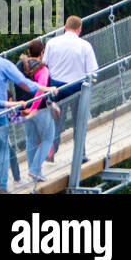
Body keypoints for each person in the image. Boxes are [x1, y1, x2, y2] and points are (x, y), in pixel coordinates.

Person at [0, 31, 55, 193]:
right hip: (0, 113)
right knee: (3, 150)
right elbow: (25, 84)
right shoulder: (3, 64)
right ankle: (2, 185)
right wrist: (46, 89)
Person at [42, 15, 97, 163]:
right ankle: (80, 154)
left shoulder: (52, 43)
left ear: (65, 28)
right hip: (77, 87)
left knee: (56, 121)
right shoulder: (85, 45)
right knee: (79, 122)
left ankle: (51, 152)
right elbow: (92, 71)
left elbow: (44, 65)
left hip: (56, 87)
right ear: (79, 29)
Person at [15, 40, 54, 185]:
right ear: (42, 53)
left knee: (30, 138)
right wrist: (34, 108)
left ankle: (33, 170)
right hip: (39, 109)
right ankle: (36, 169)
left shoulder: (19, 66)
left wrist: (23, 107)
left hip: (22, 108)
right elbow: (40, 91)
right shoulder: (42, 69)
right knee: (48, 137)